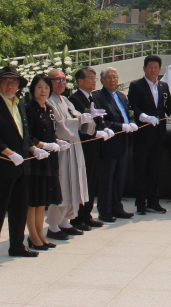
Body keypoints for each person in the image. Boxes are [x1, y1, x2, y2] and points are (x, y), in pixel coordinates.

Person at [0, 66, 39, 265]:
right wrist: (9, 153)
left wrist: (32, 148)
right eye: (5, 82)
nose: (9, 86)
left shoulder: (21, 104)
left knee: (19, 207)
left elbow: (25, 133)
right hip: (2, 165)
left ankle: (17, 244)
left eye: (13, 83)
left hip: (22, 165)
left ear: (18, 86)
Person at [45, 67, 97, 240]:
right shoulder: (48, 101)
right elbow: (62, 124)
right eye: (57, 80)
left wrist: (88, 118)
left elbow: (75, 116)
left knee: (75, 183)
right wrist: (82, 118)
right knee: (62, 185)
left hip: (74, 146)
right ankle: (53, 225)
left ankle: (66, 220)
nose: (61, 83)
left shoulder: (66, 100)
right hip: (61, 148)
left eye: (63, 80)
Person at [128, 54, 171, 215]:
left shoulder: (163, 86)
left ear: (160, 69)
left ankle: (153, 201)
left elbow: (167, 104)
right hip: (143, 135)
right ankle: (141, 203)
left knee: (155, 170)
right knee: (141, 169)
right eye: (150, 67)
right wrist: (143, 117)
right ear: (144, 68)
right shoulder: (136, 85)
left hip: (159, 135)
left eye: (156, 67)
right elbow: (133, 106)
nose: (153, 70)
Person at [23, 74, 63, 250]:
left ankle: (40, 233)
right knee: (32, 201)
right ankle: (32, 235)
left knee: (42, 201)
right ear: (33, 89)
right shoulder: (28, 109)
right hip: (35, 159)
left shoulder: (49, 108)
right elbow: (27, 135)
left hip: (49, 160)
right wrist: (41, 146)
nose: (43, 91)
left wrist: (57, 142)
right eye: (39, 87)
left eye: (46, 87)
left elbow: (51, 132)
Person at [95, 67, 137, 222]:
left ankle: (117, 207)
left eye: (115, 77)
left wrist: (132, 122)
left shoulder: (121, 95)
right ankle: (104, 210)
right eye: (109, 78)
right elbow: (102, 121)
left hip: (124, 141)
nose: (113, 80)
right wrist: (121, 127)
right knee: (108, 178)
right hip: (111, 142)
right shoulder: (99, 97)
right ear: (102, 81)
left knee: (120, 177)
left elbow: (130, 112)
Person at [69, 67, 106, 231]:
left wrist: (103, 129)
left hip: (96, 146)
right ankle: (77, 217)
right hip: (83, 146)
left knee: (92, 181)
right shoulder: (74, 99)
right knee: (82, 182)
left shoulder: (95, 97)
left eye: (94, 78)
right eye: (90, 78)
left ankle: (87, 214)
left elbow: (99, 118)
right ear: (80, 81)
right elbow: (78, 124)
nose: (93, 81)